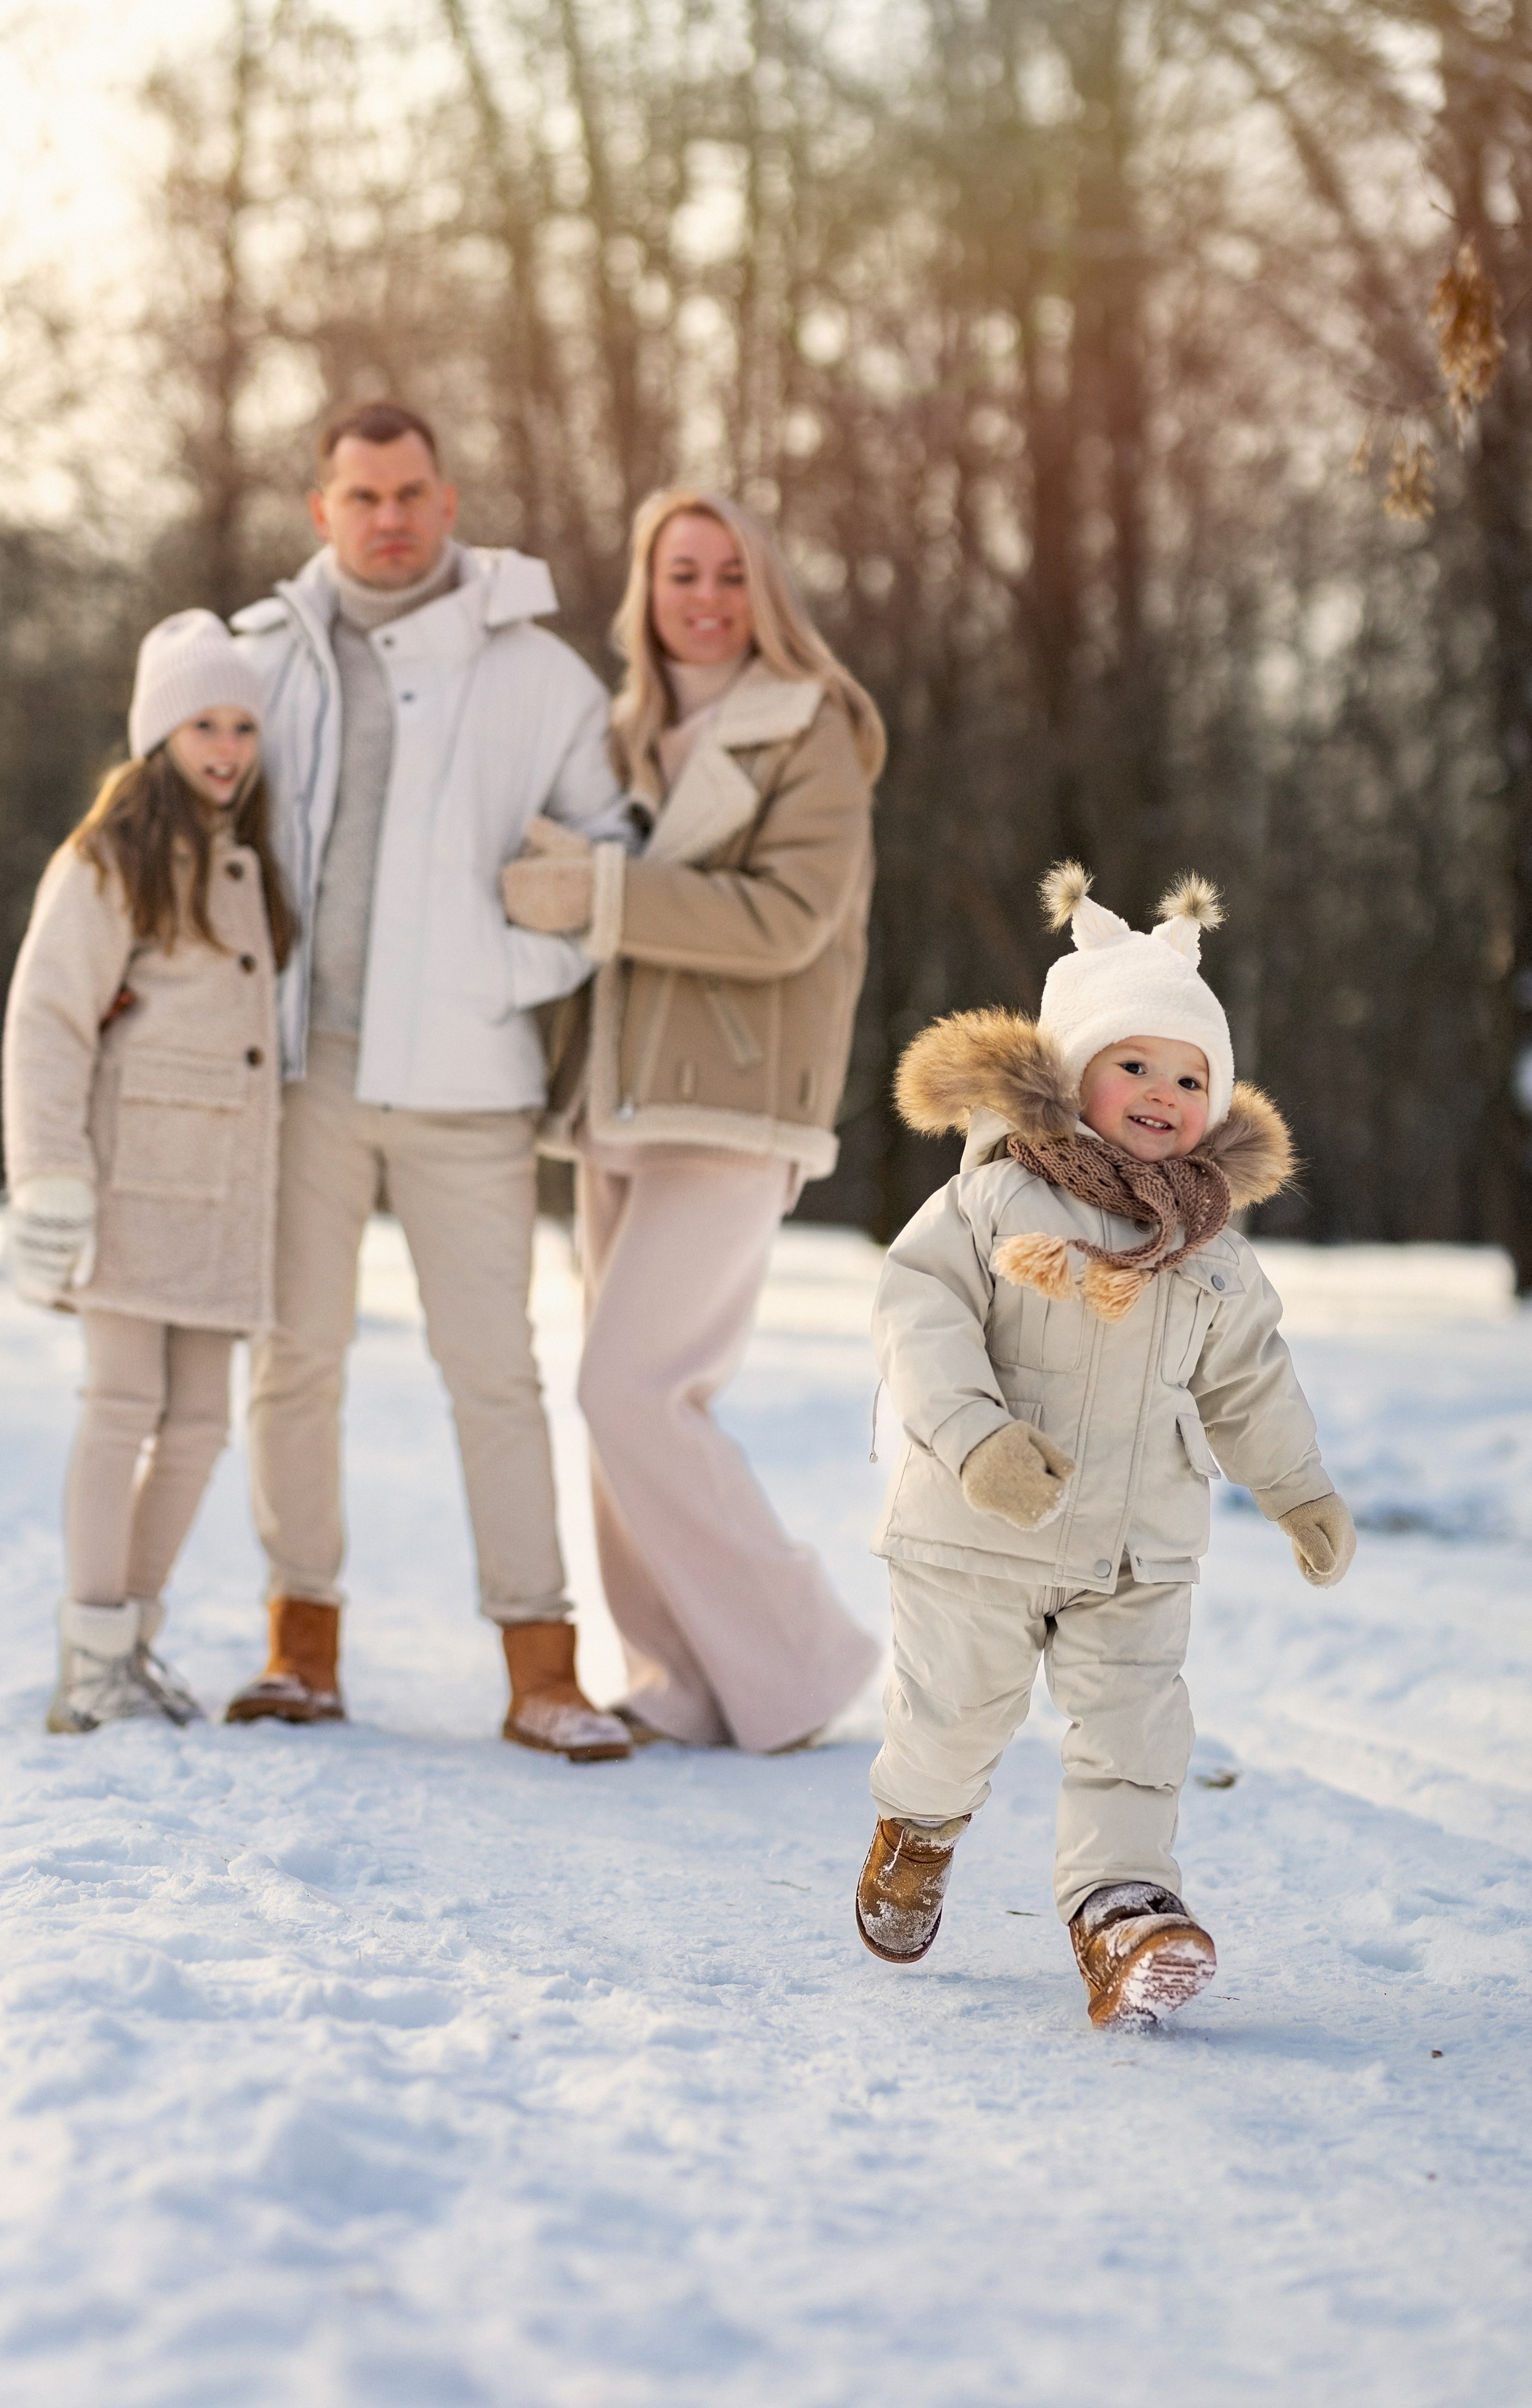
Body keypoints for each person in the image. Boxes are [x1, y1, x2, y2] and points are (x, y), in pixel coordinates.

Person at [856, 863, 1357, 2027]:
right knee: (951, 1723)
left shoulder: (1210, 1249)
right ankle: (917, 1826)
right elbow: (918, 1318)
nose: (1162, 1092)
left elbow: (1250, 1379)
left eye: (1190, 1076)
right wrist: (975, 1440)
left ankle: (1123, 1910)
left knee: (1138, 1731)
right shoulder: (991, 1201)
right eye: (1133, 1063)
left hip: (1136, 1549)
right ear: (1072, 1069)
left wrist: (1299, 1488)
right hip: (980, 1530)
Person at [223, 400, 632, 1760]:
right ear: (321, 511)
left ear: (449, 503)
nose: (388, 517)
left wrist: (495, 969)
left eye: (410, 493)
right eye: (362, 496)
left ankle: (541, 1668)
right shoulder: (261, 661)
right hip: (306, 1073)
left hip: (469, 1079)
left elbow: (608, 869)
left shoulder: (542, 679)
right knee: (295, 1356)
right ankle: (299, 1647)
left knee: (494, 1371)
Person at [501, 489, 882, 1752]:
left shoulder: (811, 728)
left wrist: (602, 893)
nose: (705, 598)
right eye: (682, 574)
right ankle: (676, 1678)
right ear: (647, 590)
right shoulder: (620, 733)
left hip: (733, 1100)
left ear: (762, 591)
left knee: (632, 1390)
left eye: (728, 574)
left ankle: (804, 1659)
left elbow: (788, 919)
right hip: (618, 1098)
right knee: (620, 1402)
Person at [3, 611, 290, 1733]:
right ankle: (89, 1665)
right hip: (129, 1180)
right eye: (202, 724)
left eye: (242, 726)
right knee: (122, 1406)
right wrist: (51, 1173)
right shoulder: (108, 858)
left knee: (203, 1425)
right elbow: (48, 1017)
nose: (226, 747)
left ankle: (129, 1642)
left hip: (221, 1193)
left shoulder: (243, 858)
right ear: (159, 732)